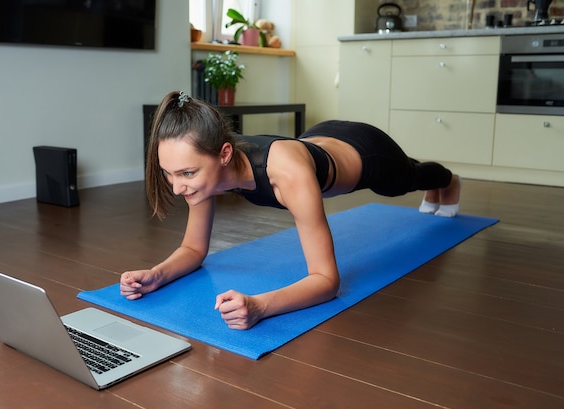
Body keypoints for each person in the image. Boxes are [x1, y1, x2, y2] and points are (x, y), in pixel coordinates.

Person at [120, 91, 461, 330]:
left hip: (366, 152)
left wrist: (260, 306)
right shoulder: (207, 165)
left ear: (224, 154)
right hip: (319, 137)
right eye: (169, 173)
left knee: (407, 178)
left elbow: (327, 281)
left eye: (187, 174)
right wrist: (156, 275)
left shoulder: (287, 175)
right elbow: (194, 249)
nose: (177, 187)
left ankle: (447, 181)